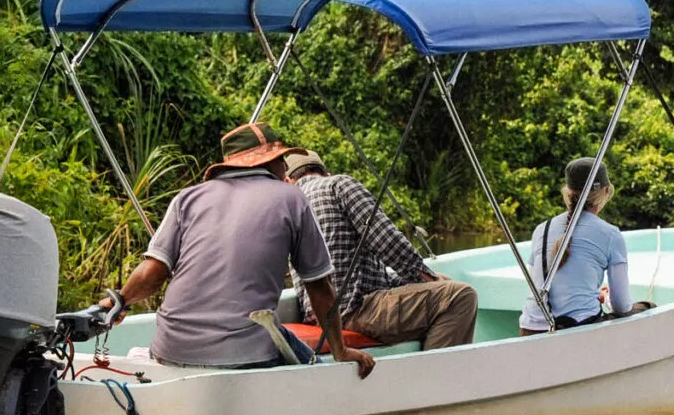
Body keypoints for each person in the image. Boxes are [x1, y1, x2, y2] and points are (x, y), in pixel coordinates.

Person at [95, 122, 374, 376]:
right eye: (282, 161)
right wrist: (340, 350)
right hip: (246, 355)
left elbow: (153, 272)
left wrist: (120, 300)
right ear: (271, 162)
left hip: (169, 350)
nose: (286, 170)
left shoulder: (187, 198)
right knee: (320, 375)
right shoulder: (291, 197)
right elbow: (320, 288)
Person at [284, 151, 478, 350]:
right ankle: (437, 378)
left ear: (289, 180)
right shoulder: (337, 184)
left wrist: (432, 280)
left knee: (442, 281)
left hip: (321, 315)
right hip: (356, 311)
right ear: (325, 172)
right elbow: (388, 243)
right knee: (460, 296)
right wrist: (426, 278)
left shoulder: (289, 207)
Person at [518, 156, 651, 334]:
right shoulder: (610, 234)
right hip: (577, 331)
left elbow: (540, 285)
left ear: (567, 193)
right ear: (605, 192)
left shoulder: (541, 229)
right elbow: (622, 307)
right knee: (647, 307)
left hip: (531, 329)